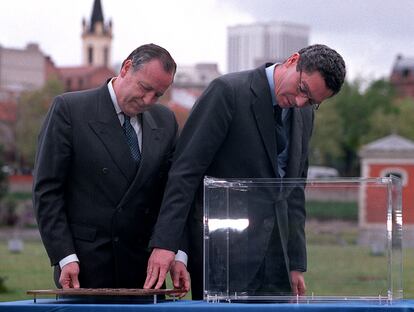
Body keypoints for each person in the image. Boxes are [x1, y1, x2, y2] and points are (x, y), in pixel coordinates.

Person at [144, 44, 346, 299]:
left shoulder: (304, 115)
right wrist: (167, 244)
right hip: (221, 258)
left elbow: (295, 190)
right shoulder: (228, 92)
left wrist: (295, 263)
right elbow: (185, 173)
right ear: (293, 60)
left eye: (312, 102)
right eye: (302, 89)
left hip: (277, 267)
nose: (299, 101)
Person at [33, 43, 190, 293]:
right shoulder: (70, 110)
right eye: (145, 88)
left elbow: (174, 195)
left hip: (146, 272)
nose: (149, 100)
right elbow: (47, 190)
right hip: (85, 269)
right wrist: (65, 256)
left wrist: (177, 251)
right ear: (126, 68)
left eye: (158, 94)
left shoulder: (166, 121)